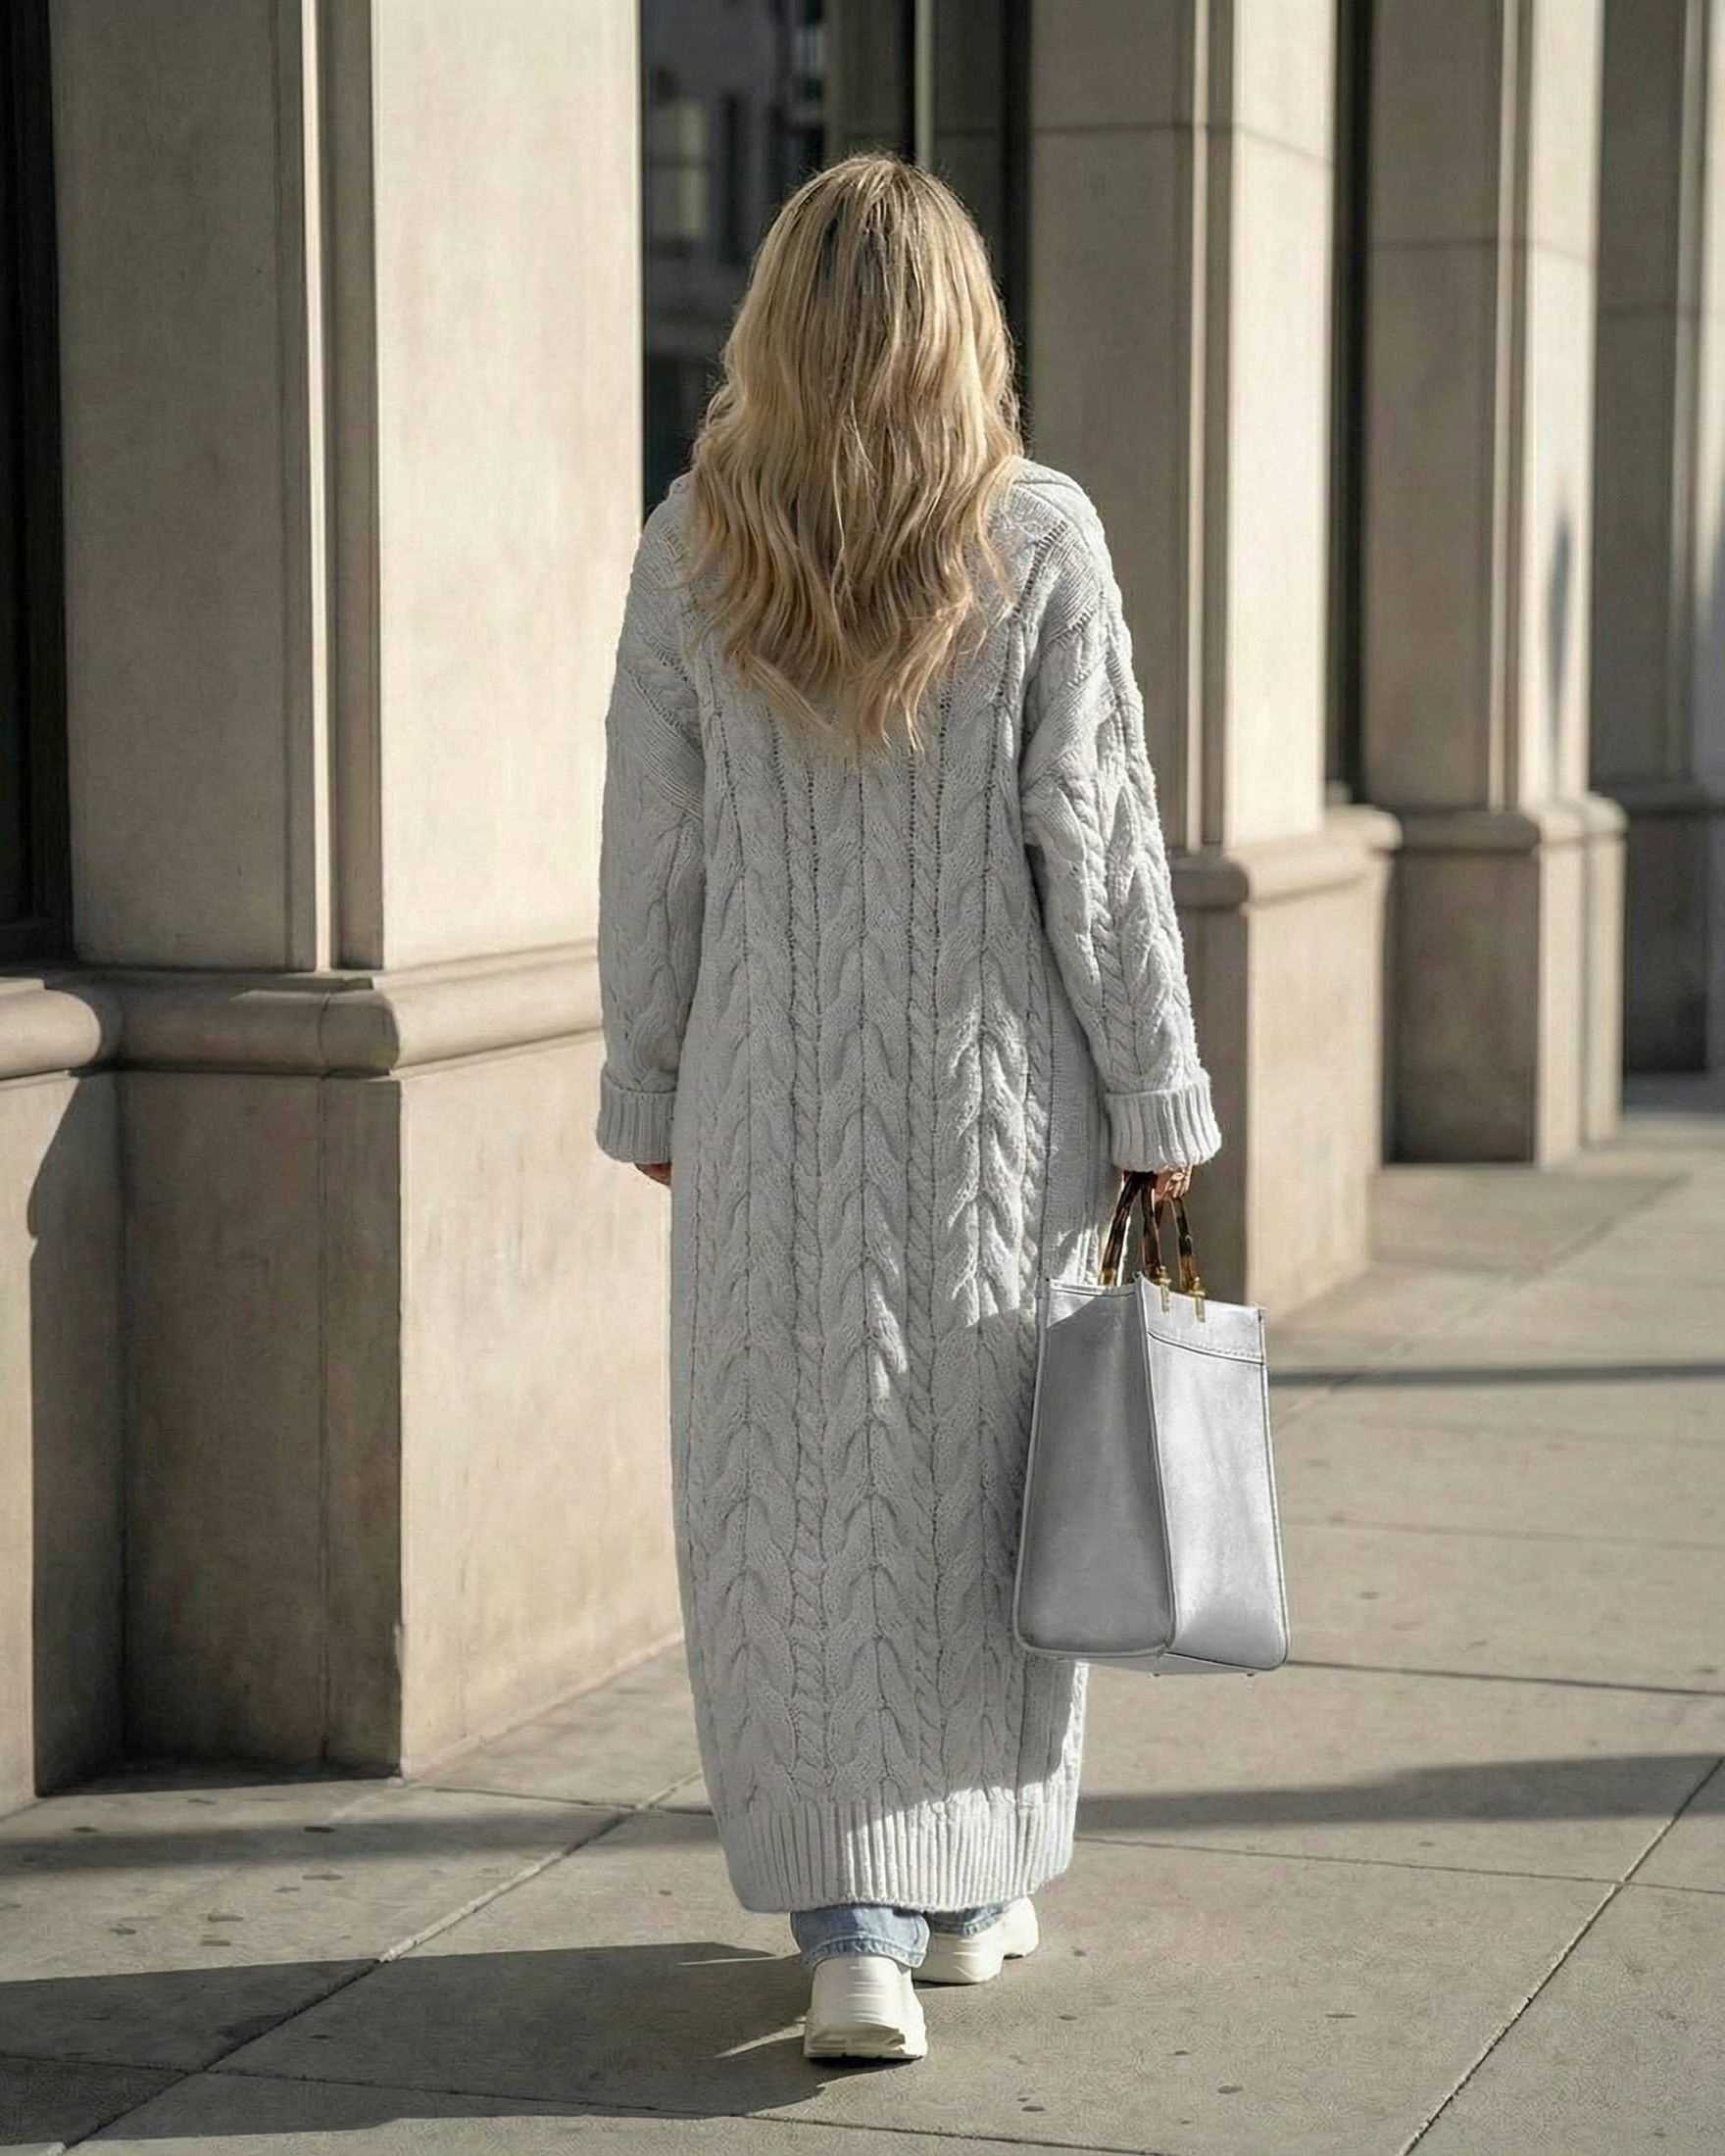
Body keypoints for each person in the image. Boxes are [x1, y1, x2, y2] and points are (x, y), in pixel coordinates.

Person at [593, 150, 1220, 2064]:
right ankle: (963, 1891)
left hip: (764, 1115)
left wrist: (649, 1077)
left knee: (785, 1507)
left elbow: (654, 856)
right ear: (966, 331)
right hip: (990, 1134)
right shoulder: (1040, 535)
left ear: (773, 329)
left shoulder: (693, 541)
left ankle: (848, 1914)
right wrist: (1156, 1093)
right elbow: (1096, 855)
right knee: (979, 1501)